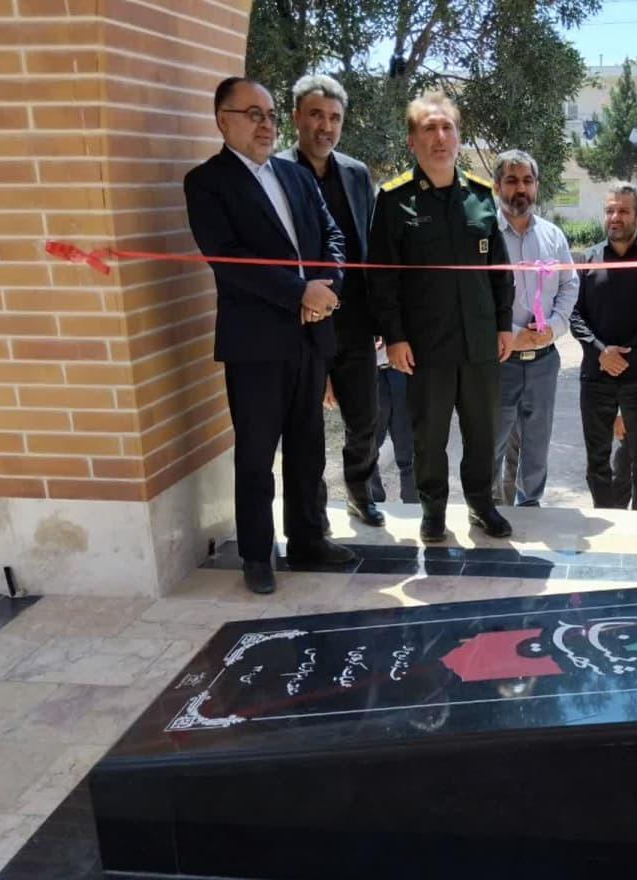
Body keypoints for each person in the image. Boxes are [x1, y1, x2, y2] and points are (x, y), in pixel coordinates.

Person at [184, 76, 354, 594]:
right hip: (256, 344)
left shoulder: (295, 175)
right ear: (223, 120)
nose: (266, 125)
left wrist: (327, 286)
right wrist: (299, 292)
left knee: (309, 448)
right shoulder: (207, 183)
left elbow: (332, 235)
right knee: (257, 456)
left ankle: (308, 538)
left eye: (271, 115)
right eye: (253, 114)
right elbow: (228, 258)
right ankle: (258, 554)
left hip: (311, 336)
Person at [366, 92, 515, 544]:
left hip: (479, 341)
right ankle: (433, 511)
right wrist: (394, 336)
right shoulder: (394, 200)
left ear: (459, 137)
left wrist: (504, 324)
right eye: (429, 128)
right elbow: (382, 278)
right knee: (428, 436)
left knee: (482, 432)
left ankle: (481, 505)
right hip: (425, 345)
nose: (440, 136)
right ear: (412, 141)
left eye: (447, 127)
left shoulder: (482, 197)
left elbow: (499, 270)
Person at [277, 74, 383, 528]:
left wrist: (380, 316)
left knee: (366, 418)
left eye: (335, 118)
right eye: (316, 115)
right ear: (296, 117)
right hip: (300, 320)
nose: (326, 126)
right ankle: (313, 512)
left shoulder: (356, 173)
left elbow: (370, 246)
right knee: (307, 426)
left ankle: (359, 490)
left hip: (354, 320)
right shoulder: (277, 172)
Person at [491, 150, 579, 508]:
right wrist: (513, 334)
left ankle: (531, 508)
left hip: (543, 360)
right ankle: (488, 510)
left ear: (537, 186)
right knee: (491, 442)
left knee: (537, 443)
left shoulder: (553, 236)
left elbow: (570, 285)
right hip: (500, 360)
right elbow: (475, 296)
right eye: (512, 181)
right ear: (497, 186)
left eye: (527, 181)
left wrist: (553, 327)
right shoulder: (484, 235)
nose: (520, 189)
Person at [570, 183, 637, 510]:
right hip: (595, 376)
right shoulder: (588, 259)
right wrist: (601, 351)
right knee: (597, 460)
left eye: (623, 211)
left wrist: (625, 354)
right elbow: (575, 314)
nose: (615, 217)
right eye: (610, 210)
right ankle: (607, 518)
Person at [369, 337, 417, 503]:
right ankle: (373, 500)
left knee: (409, 444)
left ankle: (413, 502)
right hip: (368, 371)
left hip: (403, 369)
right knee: (366, 444)